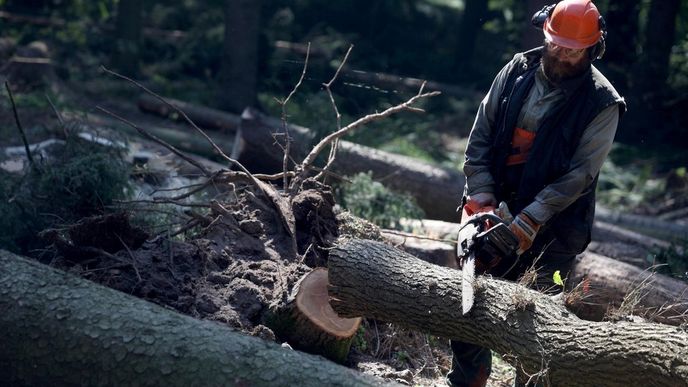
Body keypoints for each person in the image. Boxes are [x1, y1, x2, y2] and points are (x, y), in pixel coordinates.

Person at [447, 1, 626, 386]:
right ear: (545, 32)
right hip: (493, 207)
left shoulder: (602, 103)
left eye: (572, 49)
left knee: (536, 328)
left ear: (593, 48)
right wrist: (482, 199)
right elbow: (479, 139)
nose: (562, 54)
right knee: (467, 306)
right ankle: (467, 380)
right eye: (556, 44)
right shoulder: (516, 70)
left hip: (555, 230)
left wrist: (528, 219)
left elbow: (579, 176)